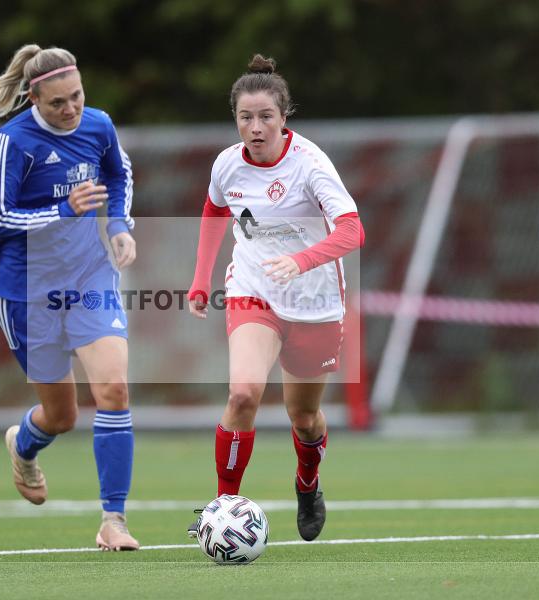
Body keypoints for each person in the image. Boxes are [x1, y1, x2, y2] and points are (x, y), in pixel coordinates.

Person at [187, 55, 365, 541]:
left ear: (284, 117)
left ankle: (307, 482)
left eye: (266, 116)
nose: (256, 126)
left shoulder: (310, 165)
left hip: (314, 303)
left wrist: (302, 260)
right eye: (246, 117)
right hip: (253, 291)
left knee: (304, 418)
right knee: (243, 393)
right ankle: (223, 507)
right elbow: (213, 209)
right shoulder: (227, 164)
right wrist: (201, 278)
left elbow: (353, 231)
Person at [0, 45, 139, 550]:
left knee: (113, 389)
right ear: (34, 99)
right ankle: (23, 443)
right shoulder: (13, 140)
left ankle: (113, 521)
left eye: (77, 98)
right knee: (62, 416)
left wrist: (117, 225)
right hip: (26, 289)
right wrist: (63, 209)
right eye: (58, 104)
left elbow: (119, 174)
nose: (70, 110)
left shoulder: (99, 126)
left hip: (89, 277)